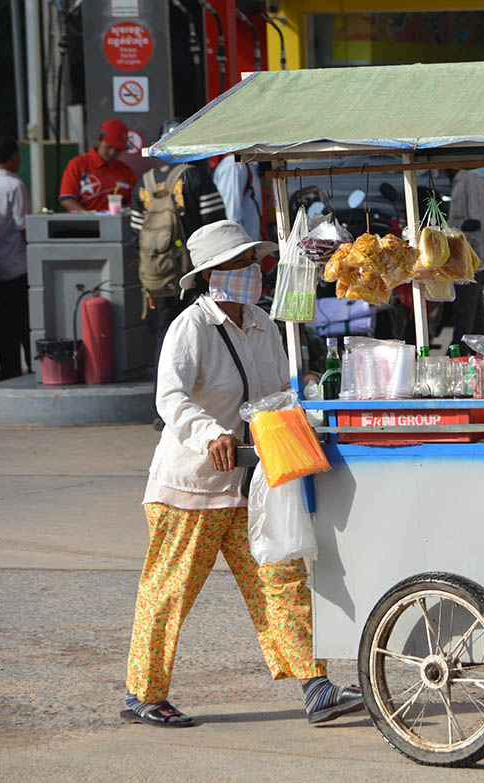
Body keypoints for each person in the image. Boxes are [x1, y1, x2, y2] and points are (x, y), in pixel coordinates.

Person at [122, 220, 364, 727]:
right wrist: (211, 433)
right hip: (190, 487)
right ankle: (143, 694)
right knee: (168, 593)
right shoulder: (190, 328)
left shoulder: (262, 323)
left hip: (250, 483)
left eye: (252, 261)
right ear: (212, 274)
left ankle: (315, 684)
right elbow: (170, 398)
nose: (251, 271)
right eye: (239, 264)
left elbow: (275, 395)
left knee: (281, 578)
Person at [131, 128, 227, 430]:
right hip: (195, 275)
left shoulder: (143, 184)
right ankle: (197, 403)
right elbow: (217, 229)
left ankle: (163, 410)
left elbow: (136, 236)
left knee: (164, 336)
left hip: (157, 278)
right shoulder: (196, 178)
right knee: (201, 336)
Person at [0, 136, 32, 379]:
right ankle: (33, 368)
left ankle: (8, 371)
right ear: (14, 156)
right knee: (25, 321)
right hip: (18, 265)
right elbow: (23, 227)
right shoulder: (16, 186)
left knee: (3, 323)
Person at [445, 167, 484, 353]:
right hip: (461, 257)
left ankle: (459, 350)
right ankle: (480, 352)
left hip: (469, 257)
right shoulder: (458, 181)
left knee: (465, 310)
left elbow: (477, 221)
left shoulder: (471, 178)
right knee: (475, 312)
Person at [59, 119, 136, 213]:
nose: (112, 153)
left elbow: (134, 204)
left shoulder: (126, 171)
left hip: (115, 225)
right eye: (108, 147)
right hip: (82, 225)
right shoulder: (78, 164)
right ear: (99, 140)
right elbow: (67, 200)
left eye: (118, 150)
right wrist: (90, 217)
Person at [213, 156, 265, 241]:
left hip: (248, 244)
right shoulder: (234, 165)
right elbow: (232, 216)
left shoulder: (246, 165)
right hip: (240, 246)